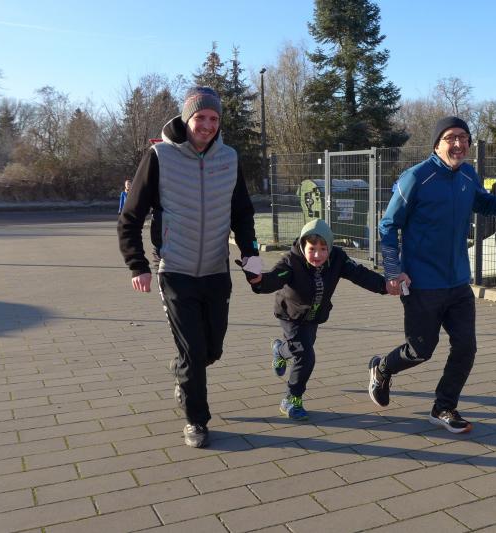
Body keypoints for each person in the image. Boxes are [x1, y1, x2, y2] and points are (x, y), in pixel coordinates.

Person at [367, 116, 496, 434]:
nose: (458, 144)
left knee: (466, 347)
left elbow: (485, 204)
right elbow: (388, 225)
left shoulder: (468, 175)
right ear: (437, 144)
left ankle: (443, 407)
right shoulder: (416, 178)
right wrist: (392, 269)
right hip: (421, 283)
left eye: (464, 137)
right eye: (450, 138)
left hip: (458, 281)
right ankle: (383, 368)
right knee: (420, 350)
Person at [117, 86, 261, 448]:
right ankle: (197, 420)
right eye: (201, 117)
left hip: (216, 270)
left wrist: (251, 258)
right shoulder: (160, 156)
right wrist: (137, 265)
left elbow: (242, 214)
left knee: (211, 350)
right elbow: (130, 216)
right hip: (175, 270)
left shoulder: (229, 158)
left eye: (214, 118)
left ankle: (183, 369)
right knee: (194, 353)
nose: (207, 125)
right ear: (187, 118)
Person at [242, 218, 386, 421]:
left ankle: (280, 350)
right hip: (291, 315)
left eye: (323, 249)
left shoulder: (338, 259)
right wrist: (259, 281)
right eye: (312, 249)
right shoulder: (291, 262)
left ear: (330, 247)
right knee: (305, 355)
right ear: (303, 246)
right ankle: (292, 399)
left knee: (300, 348)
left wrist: (385, 285)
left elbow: (360, 274)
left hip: (314, 316)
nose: (317, 255)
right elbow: (274, 278)